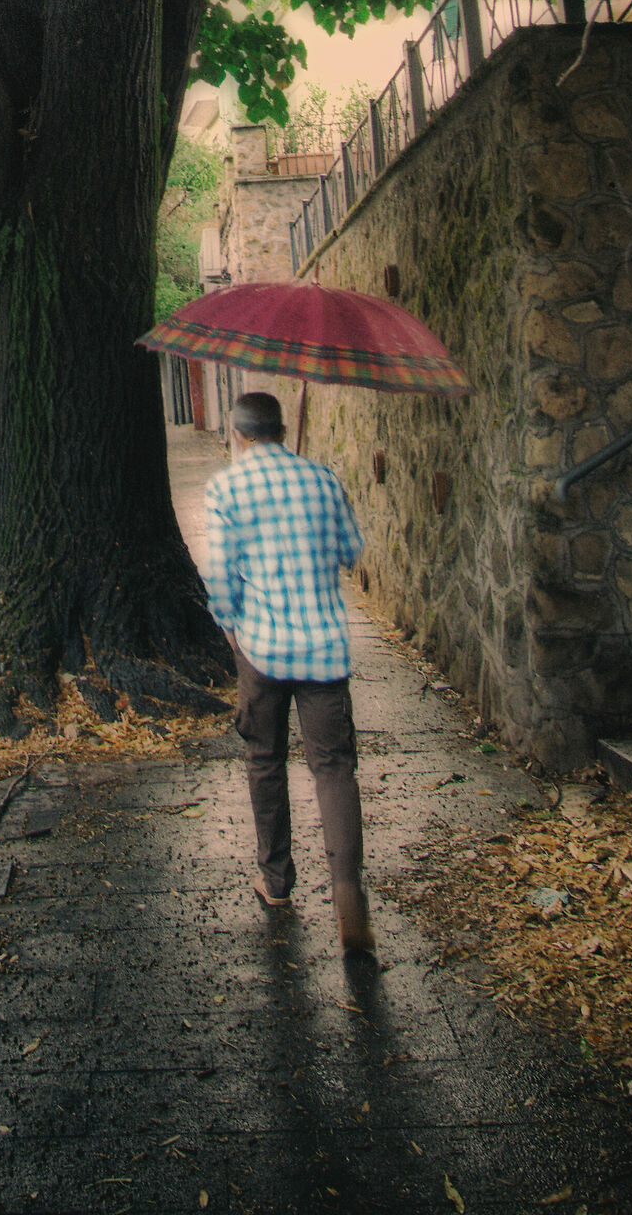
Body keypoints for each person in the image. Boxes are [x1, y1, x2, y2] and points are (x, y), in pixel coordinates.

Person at [203, 389, 375, 956]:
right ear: (281, 429)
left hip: (262, 649)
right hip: (324, 650)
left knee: (264, 760)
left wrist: (230, 625)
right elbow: (351, 551)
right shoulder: (323, 480)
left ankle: (276, 881)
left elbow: (222, 577)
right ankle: (349, 898)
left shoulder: (227, 486)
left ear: (238, 433)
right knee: (333, 767)